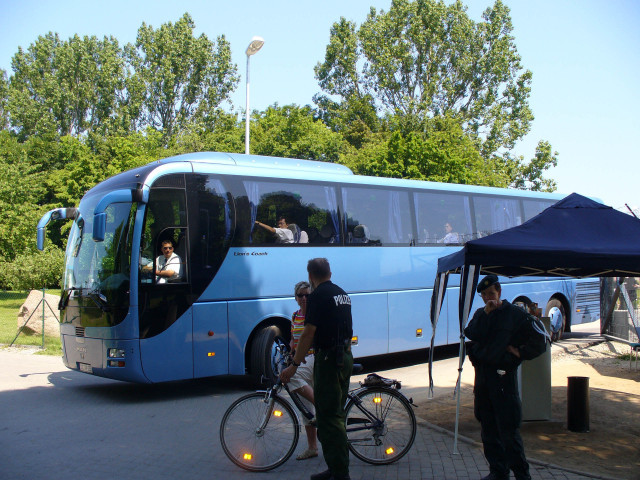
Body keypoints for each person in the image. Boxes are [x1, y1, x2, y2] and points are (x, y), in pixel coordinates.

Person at [464, 274, 547, 480]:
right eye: (484, 295)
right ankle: (498, 472)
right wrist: (485, 313)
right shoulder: (480, 314)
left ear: (499, 292)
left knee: (509, 433)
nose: (488, 298)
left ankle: (521, 475)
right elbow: (471, 333)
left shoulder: (515, 314)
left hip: (503, 380)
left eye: (491, 293)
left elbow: (541, 340)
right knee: (488, 432)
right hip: (483, 380)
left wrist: (520, 352)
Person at [280, 258, 353, 480]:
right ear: (329, 272)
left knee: (330, 420)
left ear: (311, 276)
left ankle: (340, 474)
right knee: (333, 416)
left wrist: (293, 365)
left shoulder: (318, 296)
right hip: (344, 356)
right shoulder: (342, 294)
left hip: (329, 360)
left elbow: (308, 333)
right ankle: (333, 468)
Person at [288, 281, 318, 460]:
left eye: (308, 295)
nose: (304, 298)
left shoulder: (315, 316)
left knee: (290, 377)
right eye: (301, 295)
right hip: (302, 361)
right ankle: (312, 448)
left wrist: (296, 362)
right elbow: (294, 340)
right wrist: (291, 351)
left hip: (313, 359)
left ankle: (320, 405)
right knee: (306, 408)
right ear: (296, 298)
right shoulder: (294, 316)